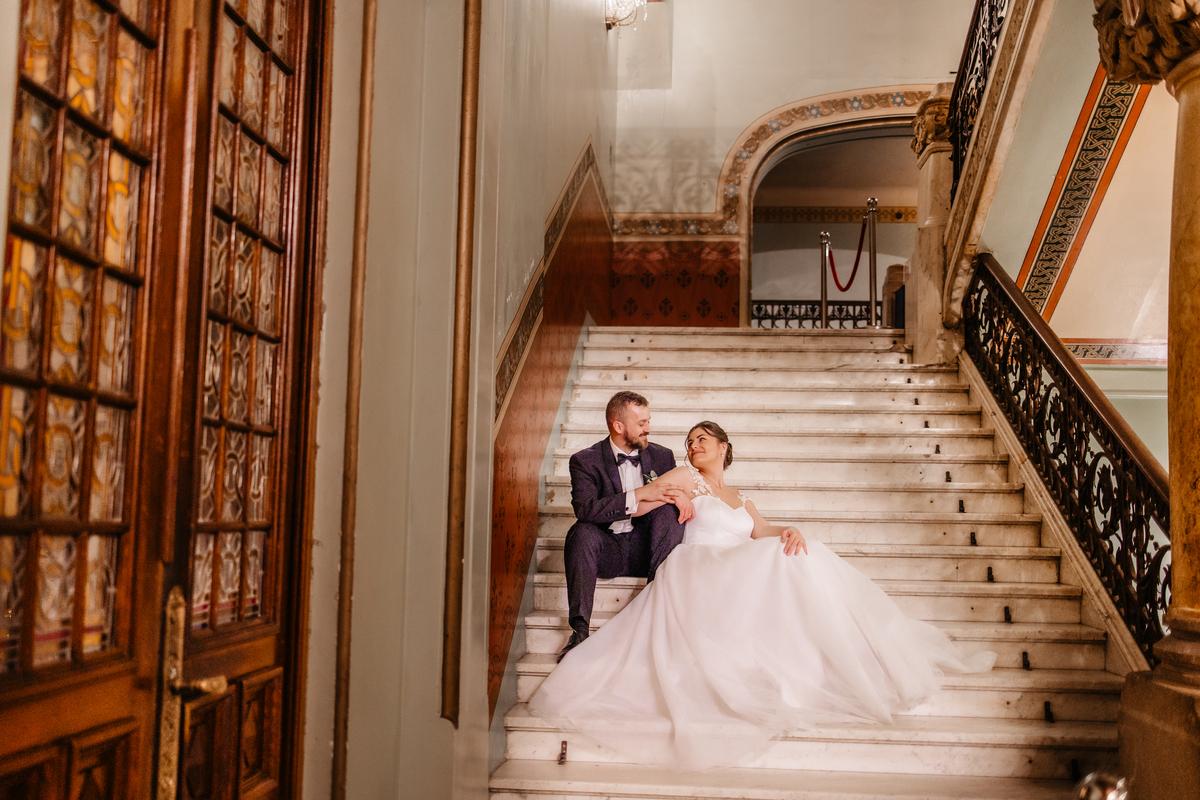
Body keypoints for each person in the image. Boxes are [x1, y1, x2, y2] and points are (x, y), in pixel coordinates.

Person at [530, 420, 996, 769]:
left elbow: (760, 530)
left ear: (723, 447)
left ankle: (835, 652)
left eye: (702, 440)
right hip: (700, 564)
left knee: (797, 551)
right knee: (773, 560)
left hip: (737, 558)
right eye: (690, 440)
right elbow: (639, 499)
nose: (693, 446)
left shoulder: (740, 495)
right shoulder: (680, 477)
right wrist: (671, 498)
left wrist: (787, 529)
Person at [559, 391, 693, 661]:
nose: (648, 428)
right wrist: (639, 495)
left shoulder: (662, 456)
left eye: (648, 421)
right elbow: (585, 509)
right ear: (618, 426)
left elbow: (675, 493)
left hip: (648, 549)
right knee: (581, 531)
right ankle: (580, 629)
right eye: (641, 423)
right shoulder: (585, 460)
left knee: (669, 512)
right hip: (607, 549)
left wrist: (678, 496)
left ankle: (656, 612)